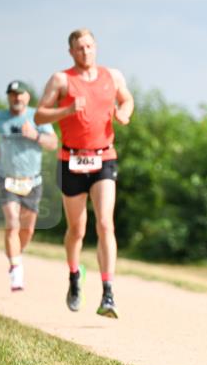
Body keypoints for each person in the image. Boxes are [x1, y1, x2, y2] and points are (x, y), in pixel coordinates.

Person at [35, 29, 134, 318]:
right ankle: (75, 275)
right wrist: (64, 111)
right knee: (77, 229)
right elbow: (40, 115)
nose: (85, 52)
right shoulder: (61, 80)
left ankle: (108, 292)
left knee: (105, 223)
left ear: (96, 47)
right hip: (72, 160)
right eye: (79, 48)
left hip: (104, 157)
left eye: (89, 46)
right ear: (71, 52)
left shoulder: (112, 76)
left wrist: (124, 113)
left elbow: (127, 100)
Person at [0, 80, 58, 291]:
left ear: (27, 97)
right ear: (8, 97)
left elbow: (53, 143)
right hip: (6, 178)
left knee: (27, 230)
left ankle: (16, 253)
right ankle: (16, 270)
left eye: (20, 94)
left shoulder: (38, 117)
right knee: (13, 222)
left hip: (32, 181)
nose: (16, 98)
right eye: (12, 94)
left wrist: (35, 135)